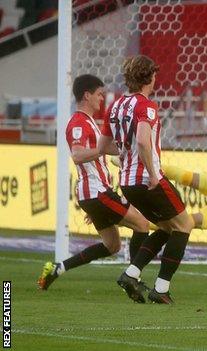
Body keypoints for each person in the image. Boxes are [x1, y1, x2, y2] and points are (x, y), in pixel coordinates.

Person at [37, 74, 150, 290]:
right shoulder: (78, 123)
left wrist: (128, 148)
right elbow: (78, 155)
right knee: (142, 225)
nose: (102, 98)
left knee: (113, 245)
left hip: (95, 195)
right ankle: (132, 279)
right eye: (99, 94)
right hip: (97, 192)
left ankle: (57, 268)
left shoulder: (89, 122)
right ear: (86, 95)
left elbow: (106, 149)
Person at [99, 55, 195, 304]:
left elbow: (104, 146)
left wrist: (125, 154)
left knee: (166, 228)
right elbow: (142, 140)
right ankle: (161, 289)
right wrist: (153, 174)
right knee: (184, 225)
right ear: (149, 76)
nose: (155, 78)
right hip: (146, 179)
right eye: (154, 74)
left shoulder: (116, 106)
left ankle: (131, 274)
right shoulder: (147, 106)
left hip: (128, 182)